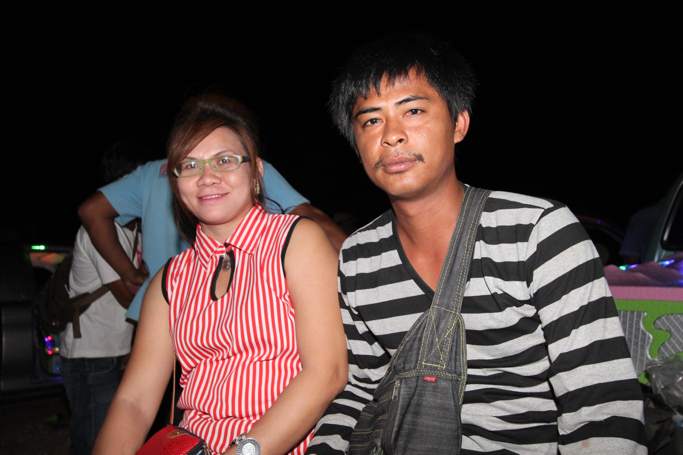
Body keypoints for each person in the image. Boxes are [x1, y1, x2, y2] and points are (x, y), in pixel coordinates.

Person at [307, 34, 646, 454]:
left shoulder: (536, 231)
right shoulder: (358, 257)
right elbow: (362, 389)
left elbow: (602, 404)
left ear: (459, 124)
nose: (392, 135)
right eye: (371, 121)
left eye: (413, 111)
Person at [93, 93, 347, 455]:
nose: (207, 177)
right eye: (190, 165)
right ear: (176, 184)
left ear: (256, 172)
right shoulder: (170, 280)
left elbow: (326, 373)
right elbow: (133, 401)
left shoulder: (297, 242)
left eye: (224, 160)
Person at [79, 147, 346, 324]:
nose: (207, 178)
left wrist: (129, 273)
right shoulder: (242, 166)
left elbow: (92, 211)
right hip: (230, 315)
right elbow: (311, 217)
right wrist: (360, 272)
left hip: (160, 313)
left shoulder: (152, 173)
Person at [60, 145, 143, 455]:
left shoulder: (133, 232)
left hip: (112, 351)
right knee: (96, 441)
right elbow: (126, 297)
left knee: (104, 436)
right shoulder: (100, 232)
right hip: (92, 354)